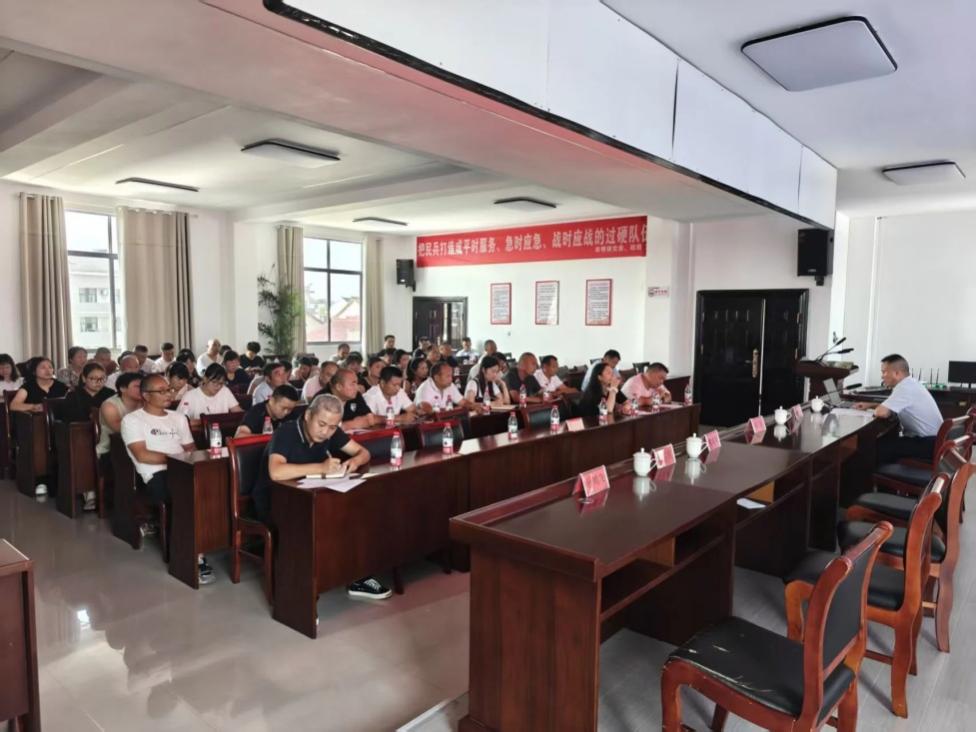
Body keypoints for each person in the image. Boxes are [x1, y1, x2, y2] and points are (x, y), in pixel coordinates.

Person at [252, 394, 383, 598]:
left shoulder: (331, 431)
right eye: (321, 424)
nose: (325, 432)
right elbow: (276, 472)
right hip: (274, 500)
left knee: (356, 514)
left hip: (308, 495)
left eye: (332, 427)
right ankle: (304, 588)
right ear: (308, 415)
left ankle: (357, 576)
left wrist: (354, 462)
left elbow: (363, 452)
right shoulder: (286, 432)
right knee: (316, 524)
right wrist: (321, 467)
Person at [121, 374, 213, 584]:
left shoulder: (178, 418)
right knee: (187, 498)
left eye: (169, 390)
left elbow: (191, 448)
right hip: (155, 474)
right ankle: (193, 557)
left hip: (184, 468)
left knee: (216, 489)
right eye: (161, 391)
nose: (169, 394)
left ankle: (212, 539)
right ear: (146, 395)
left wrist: (187, 460)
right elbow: (142, 455)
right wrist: (178, 458)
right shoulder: (133, 420)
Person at [854, 354, 944, 464]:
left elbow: (881, 412)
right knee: (881, 442)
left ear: (897, 373)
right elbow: (890, 408)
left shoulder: (905, 387)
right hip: (934, 441)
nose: (882, 376)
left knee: (871, 447)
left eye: (884, 372)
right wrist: (870, 405)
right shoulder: (911, 383)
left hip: (927, 444)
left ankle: (869, 475)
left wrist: (876, 408)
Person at [96, 372, 143, 510]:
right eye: (137, 386)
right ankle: (130, 507)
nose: (141, 390)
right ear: (122, 388)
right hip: (111, 451)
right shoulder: (109, 405)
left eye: (143, 386)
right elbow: (119, 429)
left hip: (139, 447)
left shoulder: (146, 402)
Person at [177, 363, 242, 424]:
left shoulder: (224, 391)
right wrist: (200, 422)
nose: (218, 386)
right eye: (214, 382)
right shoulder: (190, 396)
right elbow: (179, 421)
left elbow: (239, 413)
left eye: (221, 383)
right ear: (205, 379)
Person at [235, 384, 301, 437]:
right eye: (283, 408)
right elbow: (239, 436)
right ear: (271, 400)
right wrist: (270, 438)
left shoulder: (292, 414)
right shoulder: (256, 412)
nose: (286, 412)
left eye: (290, 409)